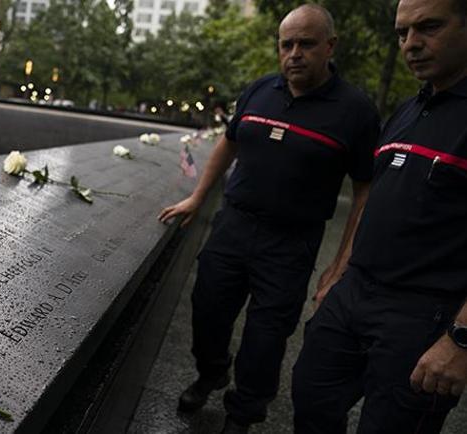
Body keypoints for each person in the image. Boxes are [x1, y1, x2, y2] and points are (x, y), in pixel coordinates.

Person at [158, 4, 380, 433]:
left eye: (306, 44)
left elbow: (365, 189)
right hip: (233, 225)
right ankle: (212, 370)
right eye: (286, 44)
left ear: (329, 46)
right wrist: (197, 198)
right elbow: (228, 144)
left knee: (266, 338)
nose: (294, 53)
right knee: (206, 310)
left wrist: (342, 261)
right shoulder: (259, 90)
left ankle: (242, 413)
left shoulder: (356, 111)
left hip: (291, 243)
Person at [291, 0, 467, 432]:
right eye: (402, 33)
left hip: (424, 317)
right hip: (354, 295)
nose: (411, 44)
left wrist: (461, 340)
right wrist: (339, 271)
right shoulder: (408, 110)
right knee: (310, 399)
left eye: (428, 27)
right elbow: (376, 198)